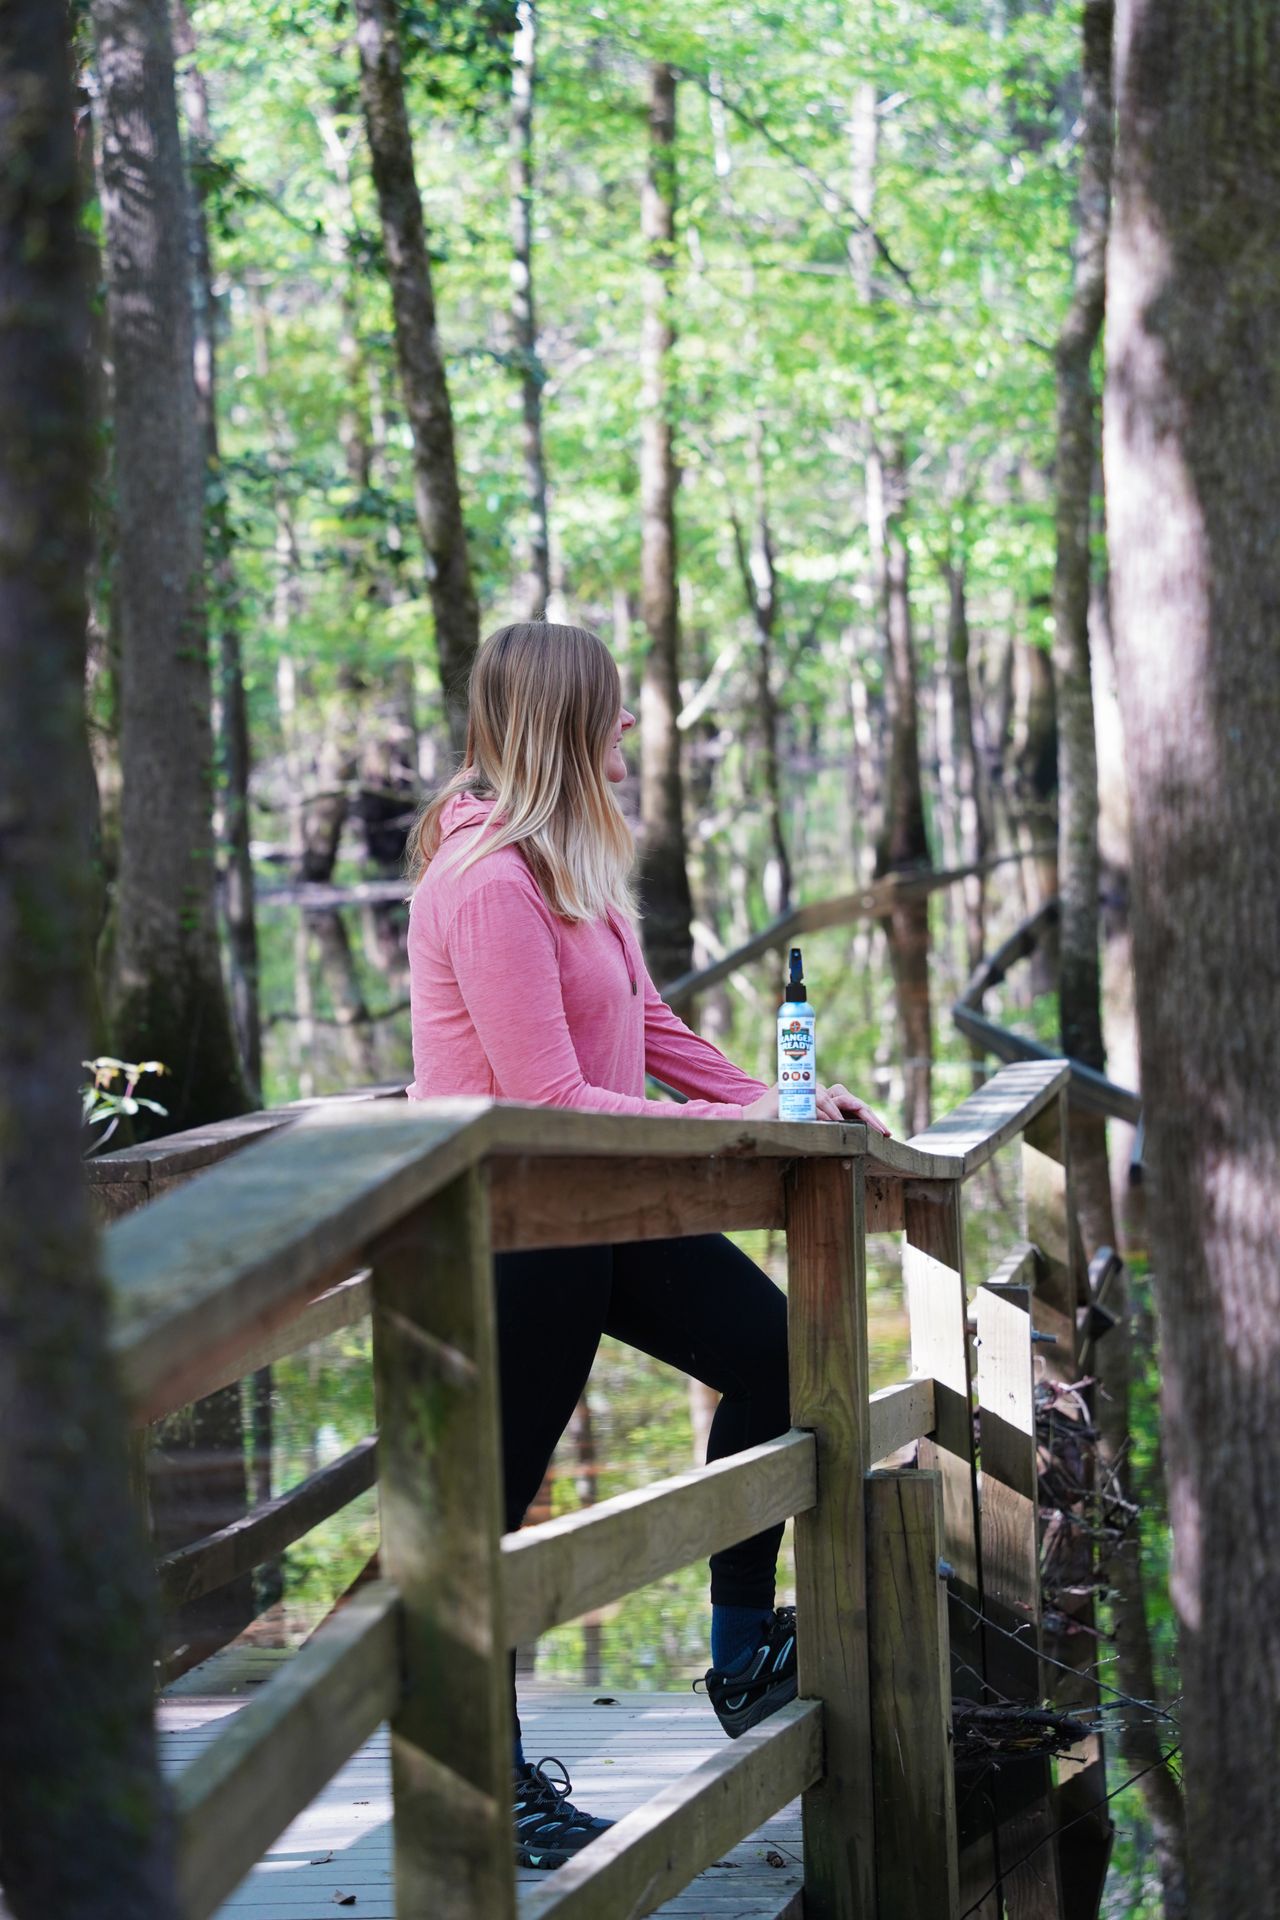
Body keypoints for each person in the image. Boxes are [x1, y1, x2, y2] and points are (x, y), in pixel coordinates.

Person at [406, 621, 889, 1870]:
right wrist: (734, 1133)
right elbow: (550, 1101)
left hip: (605, 1209)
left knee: (777, 1352)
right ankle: (481, 1779)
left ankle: (740, 1653)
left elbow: (651, 1022)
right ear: (565, 726)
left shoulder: (564, 861)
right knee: (497, 1508)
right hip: (513, 1223)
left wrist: (777, 1102)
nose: (629, 732)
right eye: (612, 714)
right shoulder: (487, 881)